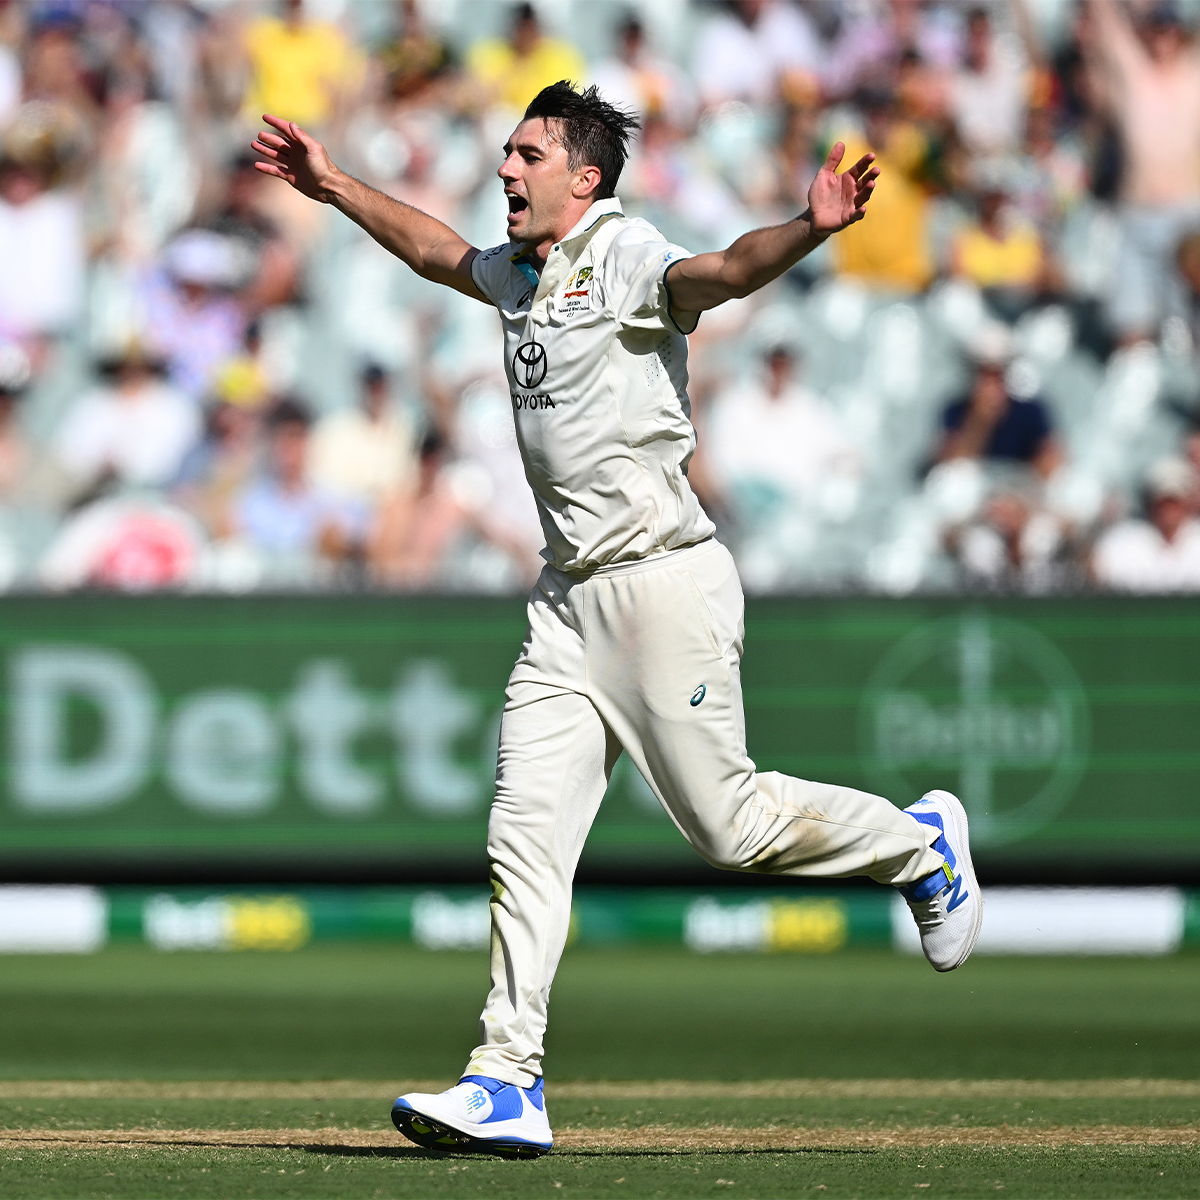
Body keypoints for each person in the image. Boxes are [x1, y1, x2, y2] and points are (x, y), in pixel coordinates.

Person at [252, 80, 982, 1160]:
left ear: (583, 178)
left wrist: (808, 232)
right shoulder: (518, 273)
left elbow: (719, 273)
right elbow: (432, 253)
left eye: (528, 155)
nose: (506, 170)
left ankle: (917, 843)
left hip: (662, 584)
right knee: (525, 835)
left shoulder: (625, 252)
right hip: (565, 604)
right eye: (505, 151)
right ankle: (506, 1078)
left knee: (728, 829)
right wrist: (330, 185)